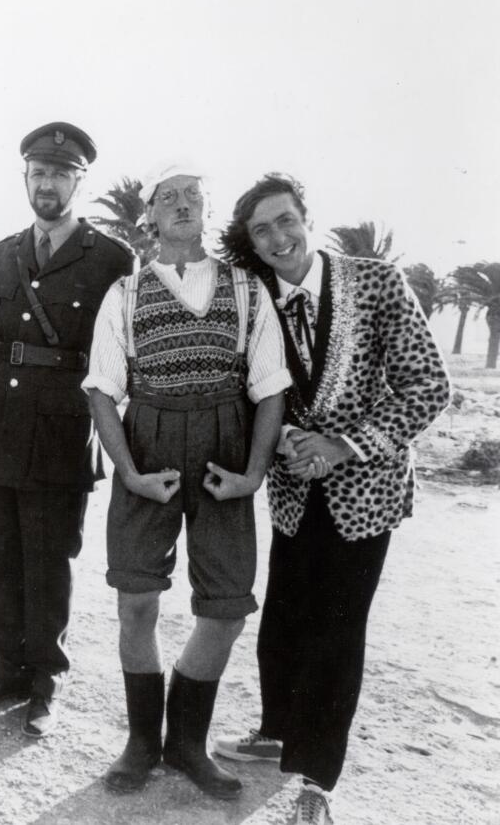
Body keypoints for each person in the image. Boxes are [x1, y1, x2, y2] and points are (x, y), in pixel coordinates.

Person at [213, 173, 450, 824]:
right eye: (262, 230)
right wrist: (285, 436)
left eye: (286, 220)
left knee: (338, 631)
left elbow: (429, 386)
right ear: (252, 243)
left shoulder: (375, 283)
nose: (278, 237)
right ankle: (275, 731)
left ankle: (315, 782)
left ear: (307, 218)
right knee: (284, 619)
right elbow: (244, 388)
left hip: (367, 491)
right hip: (292, 490)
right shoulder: (252, 296)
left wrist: (346, 446)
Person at [0, 123, 132, 738]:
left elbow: (119, 354)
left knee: (49, 558)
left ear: (78, 182)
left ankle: (46, 677)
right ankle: (6, 665)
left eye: (61, 174)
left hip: (62, 426)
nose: (48, 183)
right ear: (25, 179)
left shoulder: (112, 259)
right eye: (39, 173)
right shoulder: (3, 253)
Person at [83, 167, 290, 798]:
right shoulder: (125, 292)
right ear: (148, 218)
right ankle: (142, 742)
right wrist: (130, 473)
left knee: (225, 608)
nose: (181, 205)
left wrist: (253, 473)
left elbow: (271, 386)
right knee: (136, 599)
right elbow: (101, 389)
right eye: (166, 198)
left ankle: (186, 745)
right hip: (149, 445)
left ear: (206, 211)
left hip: (226, 446)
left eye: (192, 196)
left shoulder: (248, 289)